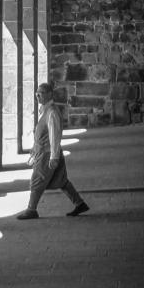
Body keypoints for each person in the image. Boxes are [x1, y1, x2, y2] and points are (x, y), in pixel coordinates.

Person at [16, 82, 89, 220]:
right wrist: (35, 148)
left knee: (37, 180)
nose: (38, 95)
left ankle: (31, 210)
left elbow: (54, 136)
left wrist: (54, 157)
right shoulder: (45, 110)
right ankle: (80, 203)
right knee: (61, 180)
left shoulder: (52, 113)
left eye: (41, 93)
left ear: (50, 94)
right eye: (37, 93)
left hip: (47, 153)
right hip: (44, 151)